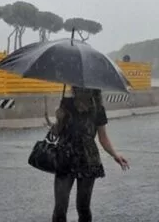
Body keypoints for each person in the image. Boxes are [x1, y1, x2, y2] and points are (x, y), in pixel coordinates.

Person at [51, 86, 129, 222]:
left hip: (88, 160)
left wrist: (115, 155)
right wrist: (58, 119)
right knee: (60, 207)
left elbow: (102, 137)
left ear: (94, 91)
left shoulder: (98, 109)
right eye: (80, 89)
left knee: (83, 207)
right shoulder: (66, 104)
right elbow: (56, 133)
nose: (83, 91)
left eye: (87, 89)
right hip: (65, 158)